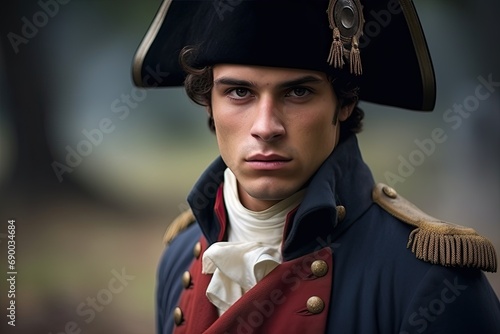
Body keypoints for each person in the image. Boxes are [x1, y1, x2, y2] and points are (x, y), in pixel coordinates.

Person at [132, 1, 500, 333]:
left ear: (343, 103)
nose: (266, 126)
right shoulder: (180, 255)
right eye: (239, 92)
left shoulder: (430, 278)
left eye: (298, 92)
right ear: (209, 102)